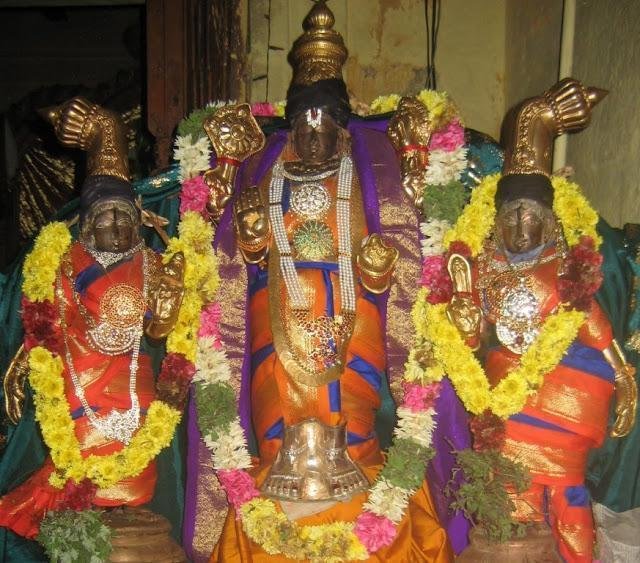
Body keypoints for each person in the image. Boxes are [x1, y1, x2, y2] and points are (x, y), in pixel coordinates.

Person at [187, 1, 466, 560]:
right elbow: (240, 267)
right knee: (275, 419)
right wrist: (250, 237)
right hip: (278, 314)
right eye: (304, 124)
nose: (314, 135)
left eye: (325, 124)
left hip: (351, 312)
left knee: (351, 418)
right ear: (291, 128)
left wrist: (379, 273)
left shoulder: (363, 179)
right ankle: (280, 483)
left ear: (342, 128)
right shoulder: (267, 178)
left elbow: (387, 252)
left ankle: (351, 472)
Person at [443, 79, 637, 562]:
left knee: (567, 496)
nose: (519, 227)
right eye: (510, 217)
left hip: (563, 400)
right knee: (510, 497)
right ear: (497, 221)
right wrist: (465, 322)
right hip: (503, 399)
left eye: (529, 217)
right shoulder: (483, 266)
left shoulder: (565, 265)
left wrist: (623, 374)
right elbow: (470, 339)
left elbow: (589, 319)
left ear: (548, 221)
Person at [0, 97, 186, 544]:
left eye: (125, 217)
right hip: (78, 374)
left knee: (141, 459)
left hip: (134, 378)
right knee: (79, 454)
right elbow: (46, 324)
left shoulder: (155, 263)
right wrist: (23, 361)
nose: (117, 227)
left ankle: (128, 517)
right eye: (106, 217)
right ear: (87, 222)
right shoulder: (62, 263)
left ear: (139, 221)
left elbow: (163, 334)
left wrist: (164, 317)